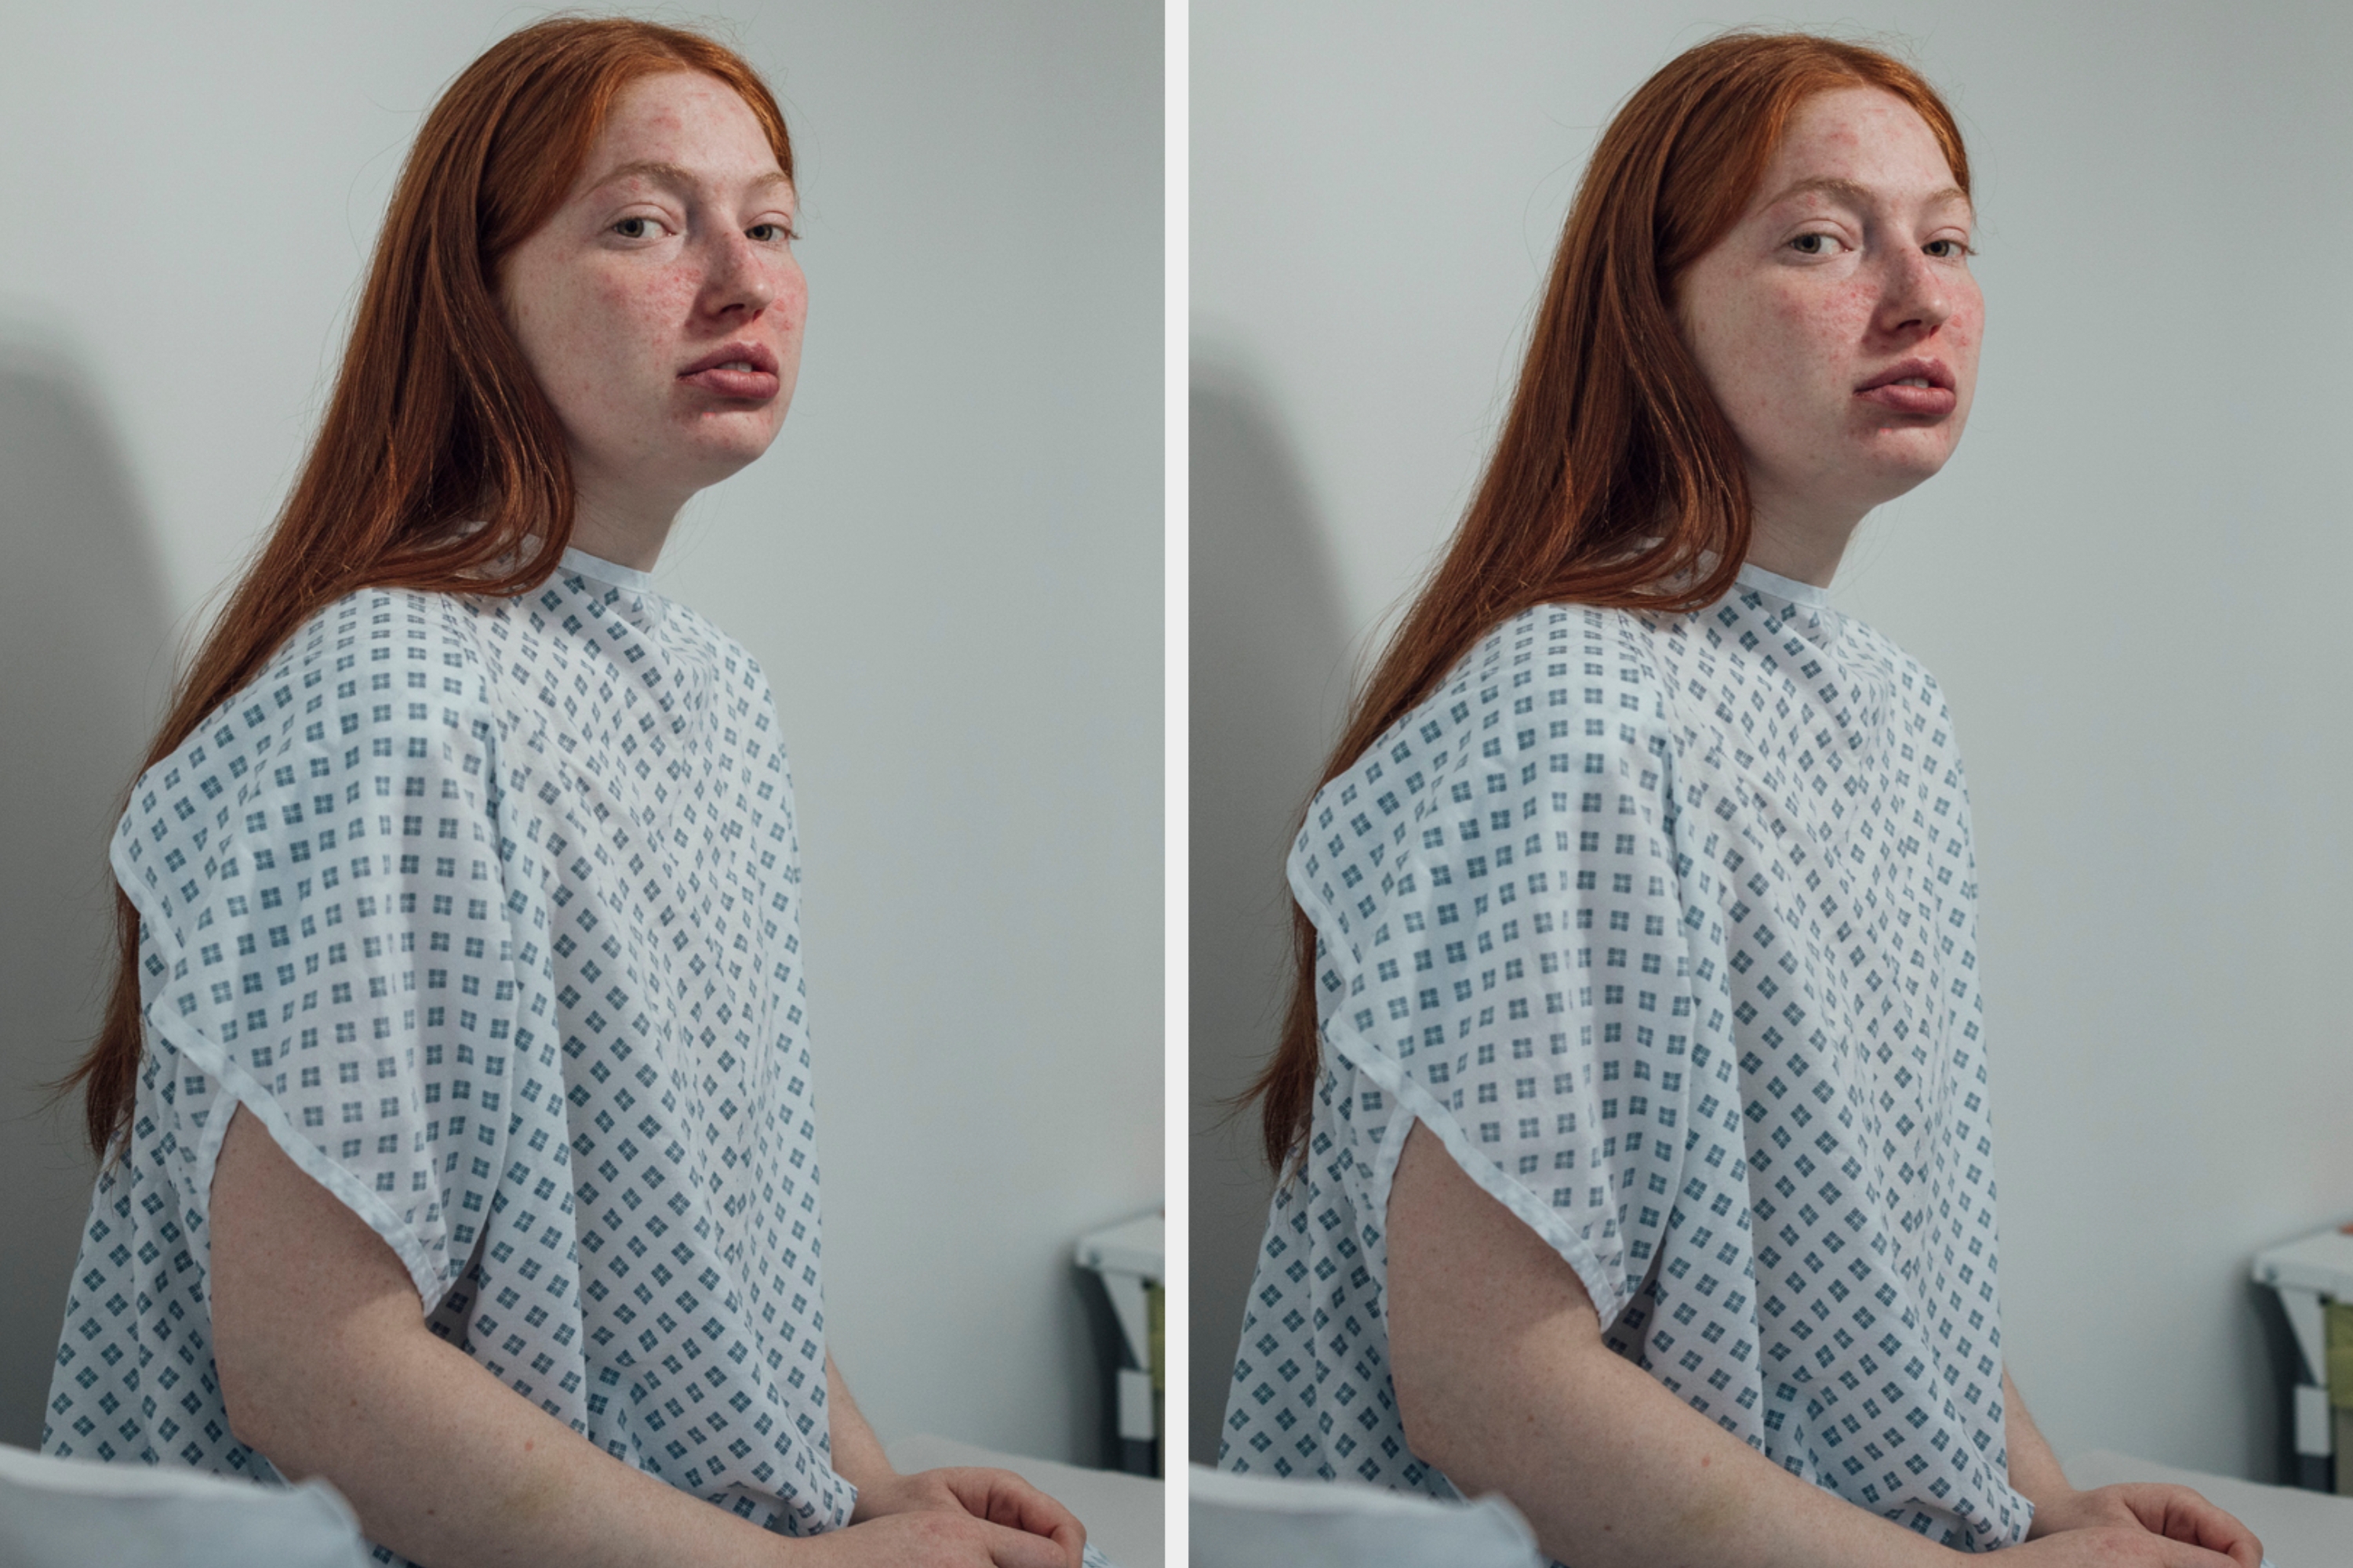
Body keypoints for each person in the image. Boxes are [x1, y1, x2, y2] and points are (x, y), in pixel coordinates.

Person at [43, 19, 1089, 1568]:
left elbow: (694, 1232)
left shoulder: (715, 697)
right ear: (475, 300)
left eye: (774, 222)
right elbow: (312, 1370)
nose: (741, 279)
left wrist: (871, 1485)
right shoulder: (397, 694)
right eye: (646, 222)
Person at [1222, 31, 2260, 1568]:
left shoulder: (1888, 711)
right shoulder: (1574, 713)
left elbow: (1878, 1248)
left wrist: (2043, 1499)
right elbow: (1488, 1387)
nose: (1917, 296)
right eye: (1824, 238)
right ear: (1651, 314)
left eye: (1949, 239)